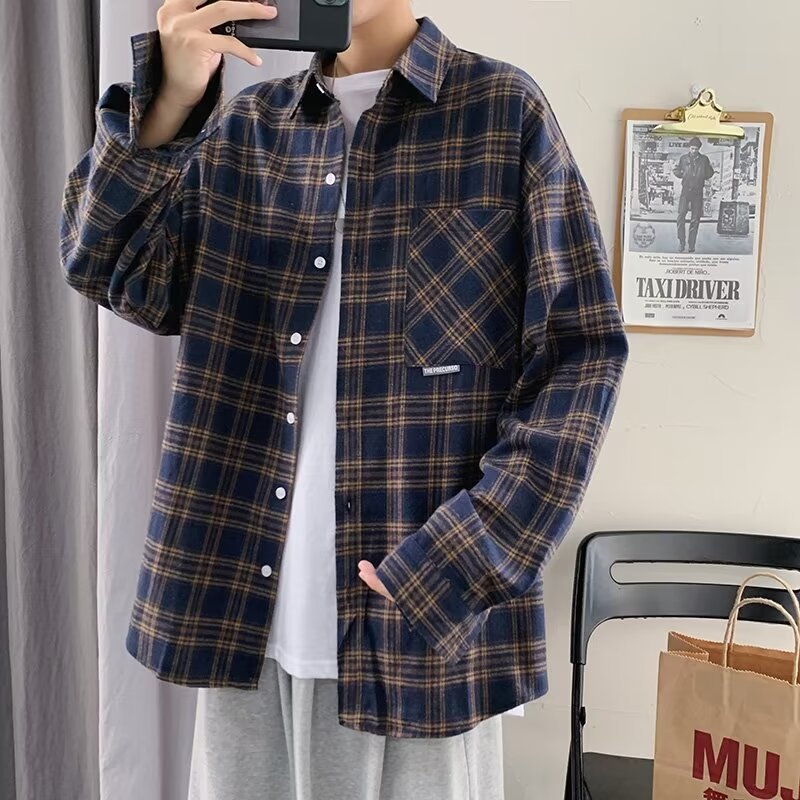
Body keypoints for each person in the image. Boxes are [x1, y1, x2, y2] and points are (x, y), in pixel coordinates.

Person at [59, 0, 629, 797]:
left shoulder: (503, 113)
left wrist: (464, 558)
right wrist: (171, 101)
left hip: (420, 621)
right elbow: (115, 270)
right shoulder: (248, 129)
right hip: (250, 615)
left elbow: (580, 356)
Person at [674, 136, 715, 253]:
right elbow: (676, 170)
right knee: (680, 216)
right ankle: (681, 242)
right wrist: (683, 174)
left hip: (697, 192)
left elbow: (710, 172)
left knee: (695, 219)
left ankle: (691, 245)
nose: (694, 151)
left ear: (699, 149)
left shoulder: (704, 159)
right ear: (689, 148)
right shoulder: (683, 159)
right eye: (692, 148)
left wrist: (701, 177)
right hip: (685, 191)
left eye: (696, 149)